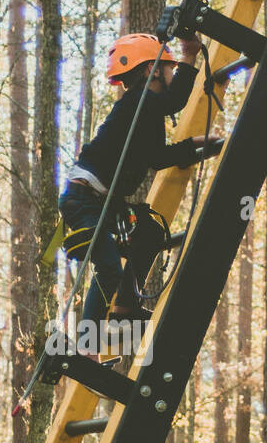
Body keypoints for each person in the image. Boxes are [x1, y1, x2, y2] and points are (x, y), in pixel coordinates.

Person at [58, 33, 218, 352]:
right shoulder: (138, 102)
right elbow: (174, 101)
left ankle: (125, 310)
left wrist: (196, 147)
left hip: (102, 202)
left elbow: (157, 158)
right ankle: (88, 348)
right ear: (151, 71)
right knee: (108, 267)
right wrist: (189, 55)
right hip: (83, 202)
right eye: (169, 68)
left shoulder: (143, 114)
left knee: (148, 229)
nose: (173, 74)